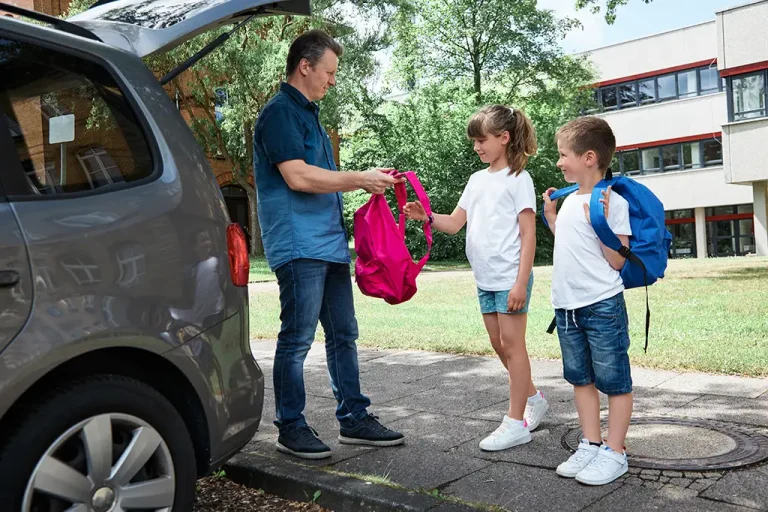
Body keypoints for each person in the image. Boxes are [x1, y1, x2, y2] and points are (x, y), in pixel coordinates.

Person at [253, 29, 405, 460]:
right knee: (298, 338)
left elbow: (322, 180)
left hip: (329, 243)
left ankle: (353, 418)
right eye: (329, 71)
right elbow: (298, 177)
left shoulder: (310, 115)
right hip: (299, 245)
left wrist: (370, 183)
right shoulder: (280, 113)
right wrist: (360, 178)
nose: (332, 80)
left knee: (344, 335)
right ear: (305, 66)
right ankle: (291, 426)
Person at [404, 105, 549, 452]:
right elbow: (454, 223)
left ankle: (516, 422)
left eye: (482, 140)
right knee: (500, 345)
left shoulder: (519, 179)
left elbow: (529, 235)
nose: (477, 147)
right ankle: (534, 398)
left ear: (504, 137)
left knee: (514, 347)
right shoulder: (476, 180)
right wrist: (426, 216)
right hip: (485, 278)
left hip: (510, 277)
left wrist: (520, 282)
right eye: (474, 141)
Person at [542, 116, 633, 485]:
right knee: (580, 379)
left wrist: (602, 221)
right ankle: (592, 444)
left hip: (601, 304)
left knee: (614, 381)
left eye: (564, 155)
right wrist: (550, 217)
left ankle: (615, 451)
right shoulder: (568, 200)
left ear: (590, 157)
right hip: (566, 307)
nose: (560, 162)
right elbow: (571, 244)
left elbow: (616, 259)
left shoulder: (612, 202)